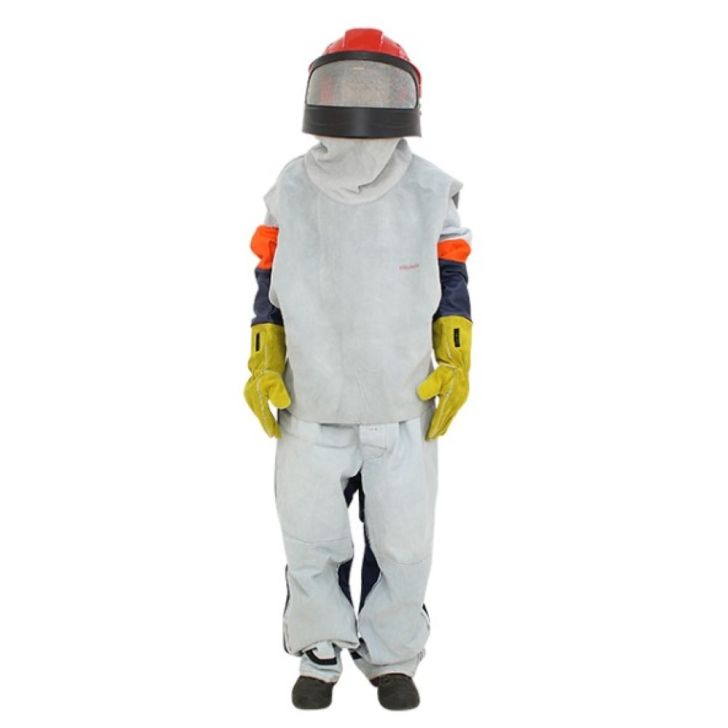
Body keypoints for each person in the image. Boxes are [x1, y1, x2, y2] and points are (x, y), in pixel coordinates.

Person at [243, 28, 473, 711]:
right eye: (351, 87)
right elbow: (268, 276)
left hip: (404, 398)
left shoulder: (430, 189)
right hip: (312, 398)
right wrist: (264, 351)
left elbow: (452, 275)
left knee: (403, 542)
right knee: (311, 535)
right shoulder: (291, 186)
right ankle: (319, 648)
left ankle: (391, 654)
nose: (361, 102)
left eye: (375, 88)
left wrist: (455, 352)